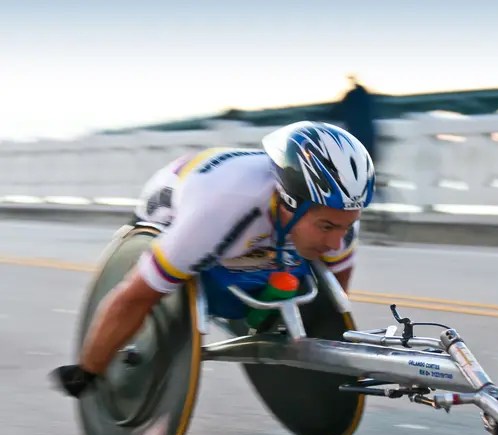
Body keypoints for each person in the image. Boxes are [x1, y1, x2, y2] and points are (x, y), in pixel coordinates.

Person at [50, 120, 376, 399]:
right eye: (327, 227)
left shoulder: (337, 208)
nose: (336, 242)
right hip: (176, 206)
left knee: (296, 262)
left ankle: (254, 300)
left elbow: (332, 302)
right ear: (289, 201)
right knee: (172, 278)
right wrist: (87, 371)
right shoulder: (217, 211)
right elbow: (134, 297)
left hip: (256, 220)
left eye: (347, 226)